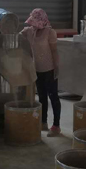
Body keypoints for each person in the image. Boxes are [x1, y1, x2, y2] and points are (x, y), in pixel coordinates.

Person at [21, 8, 61, 137]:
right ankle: (43, 122)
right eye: (31, 22)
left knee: (53, 96)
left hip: (49, 69)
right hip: (37, 69)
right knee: (42, 97)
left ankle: (56, 126)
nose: (33, 24)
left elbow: (54, 51)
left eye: (35, 22)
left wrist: (57, 68)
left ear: (42, 21)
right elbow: (17, 35)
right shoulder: (29, 31)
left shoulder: (50, 32)